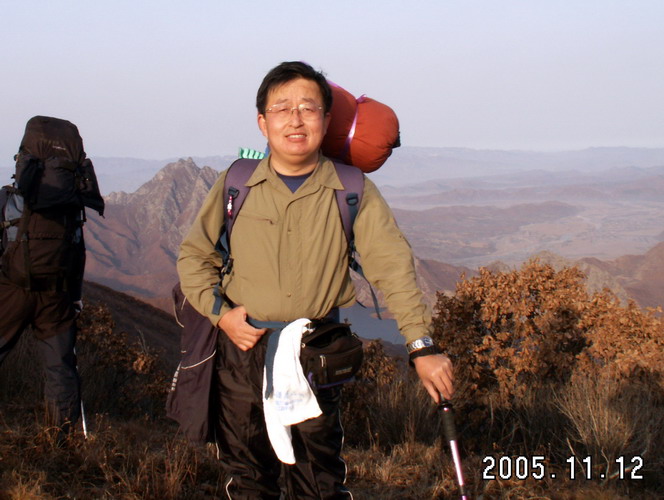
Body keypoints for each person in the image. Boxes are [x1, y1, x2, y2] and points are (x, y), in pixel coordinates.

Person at [177, 61, 454, 499]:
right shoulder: (237, 183)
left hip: (316, 352)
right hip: (243, 351)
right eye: (282, 108)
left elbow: (394, 269)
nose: (295, 119)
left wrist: (421, 346)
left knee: (318, 480)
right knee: (248, 478)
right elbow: (195, 256)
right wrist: (221, 315)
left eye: (308, 108)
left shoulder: (352, 189)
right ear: (262, 122)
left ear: (326, 120)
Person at [0, 116, 96, 442]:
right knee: (60, 368)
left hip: (12, 290)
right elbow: (78, 253)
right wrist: (75, 297)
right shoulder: (71, 210)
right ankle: (61, 439)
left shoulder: (9, 201)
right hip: (57, 295)